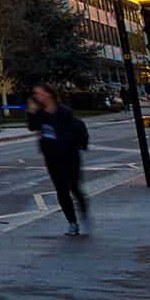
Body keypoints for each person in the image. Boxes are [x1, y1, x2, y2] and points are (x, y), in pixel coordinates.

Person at [26, 84, 92, 236]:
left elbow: (70, 132)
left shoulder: (64, 112)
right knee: (61, 190)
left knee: (74, 187)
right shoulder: (40, 113)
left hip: (70, 156)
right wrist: (31, 112)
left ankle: (83, 211)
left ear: (49, 94)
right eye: (35, 94)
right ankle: (72, 223)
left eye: (39, 93)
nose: (37, 96)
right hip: (52, 157)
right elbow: (32, 127)